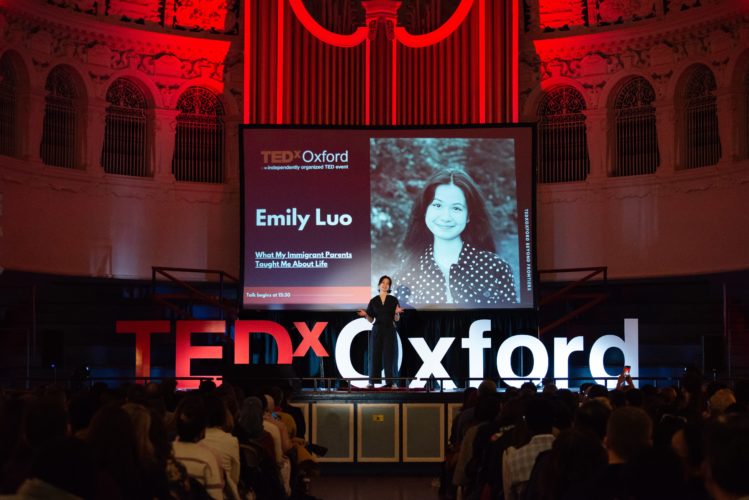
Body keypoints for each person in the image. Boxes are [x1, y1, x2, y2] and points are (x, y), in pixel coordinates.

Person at [395, 168, 517, 306]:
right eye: (437, 205)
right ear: (425, 210)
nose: (446, 217)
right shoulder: (405, 273)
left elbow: (509, 323)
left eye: (456, 208)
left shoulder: (495, 268)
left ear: (468, 216)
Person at [358, 275, 404, 388]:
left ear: (389, 287)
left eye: (387, 283)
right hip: (377, 330)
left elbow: (396, 319)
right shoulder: (373, 301)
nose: (385, 285)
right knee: (374, 355)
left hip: (389, 330)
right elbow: (371, 319)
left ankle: (392, 382)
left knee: (390, 356)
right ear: (379, 285)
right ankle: (372, 382)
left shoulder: (393, 300)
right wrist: (366, 315)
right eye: (383, 283)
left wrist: (397, 312)